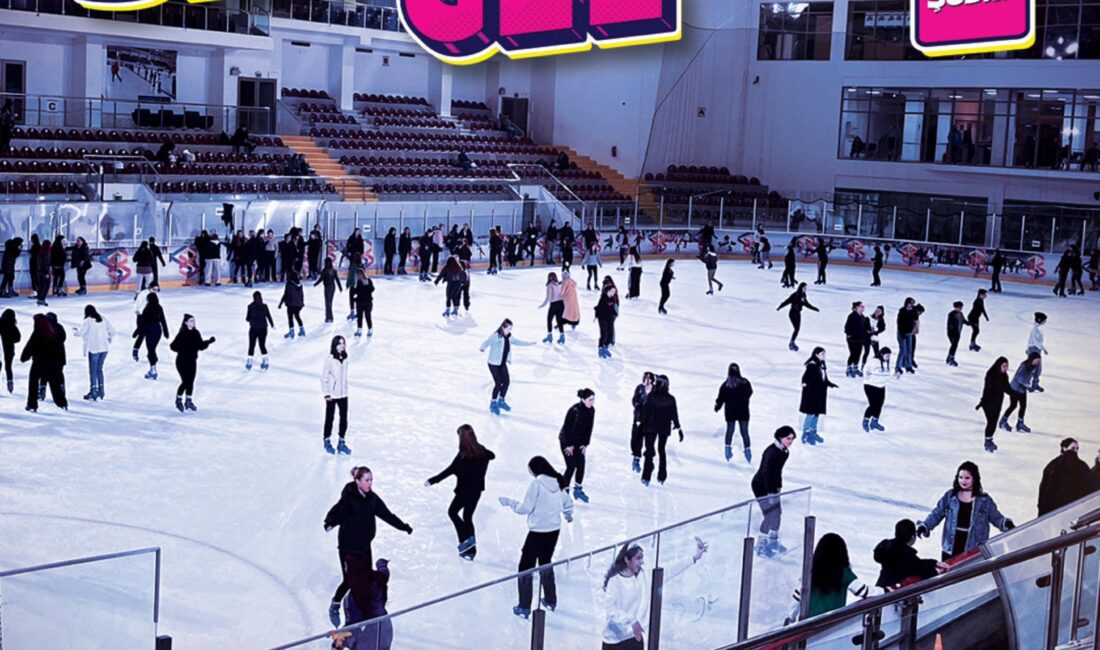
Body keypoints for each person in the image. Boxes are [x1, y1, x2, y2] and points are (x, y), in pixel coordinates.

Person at [324, 466, 413, 628]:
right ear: (357, 481)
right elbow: (337, 511)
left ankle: (365, 611)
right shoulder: (348, 498)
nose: (370, 483)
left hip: (365, 546)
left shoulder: (372, 499)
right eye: (367, 480)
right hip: (348, 547)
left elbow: (387, 515)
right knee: (349, 581)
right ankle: (335, 604)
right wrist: (330, 522)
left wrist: (404, 526)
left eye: (371, 480)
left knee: (366, 578)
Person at [499, 456, 574, 619]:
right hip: (554, 531)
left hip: (537, 532)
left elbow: (525, 508)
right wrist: (568, 516)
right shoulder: (558, 481)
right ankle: (550, 599)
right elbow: (568, 503)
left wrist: (510, 503)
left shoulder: (537, 484)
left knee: (525, 567)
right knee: (545, 562)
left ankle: (524, 606)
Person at [600, 537, 708, 649]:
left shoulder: (643, 576)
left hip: (634, 636)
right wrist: (631, 621)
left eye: (642, 558)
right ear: (627, 560)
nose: (642, 562)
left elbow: (669, 570)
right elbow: (610, 609)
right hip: (615, 640)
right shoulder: (615, 581)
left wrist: (694, 558)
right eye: (638, 558)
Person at [425, 424, 496, 560]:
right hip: (476, 492)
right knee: (468, 517)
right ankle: (471, 550)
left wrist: (432, 480)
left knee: (452, 512)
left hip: (464, 492)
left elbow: (450, 470)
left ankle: (465, 541)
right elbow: (492, 455)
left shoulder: (463, 457)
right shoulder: (482, 452)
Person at [918, 461, 1014, 560]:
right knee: (950, 575)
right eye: (960, 477)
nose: (963, 481)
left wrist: (1005, 523)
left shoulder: (984, 500)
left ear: (975, 479)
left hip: (974, 550)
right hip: (951, 548)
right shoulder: (950, 496)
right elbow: (936, 514)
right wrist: (926, 526)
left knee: (970, 574)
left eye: (967, 478)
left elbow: (996, 517)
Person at [787, 533, 869, 622]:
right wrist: (884, 590)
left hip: (809, 624)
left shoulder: (810, 572)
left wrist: (790, 618)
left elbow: (798, 597)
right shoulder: (843, 573)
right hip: (833, 624)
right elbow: (863, 591)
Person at [751, 426, 796, 557]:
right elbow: (766, 472)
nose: (790, 441)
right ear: (780, 438)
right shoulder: (771, 452)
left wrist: (778, 488)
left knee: (777, 513)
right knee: (769, 515)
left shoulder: (784, 451)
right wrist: (771, 492)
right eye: (788, 438)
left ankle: (773, 541)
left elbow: (777, 472)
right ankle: (761, 544)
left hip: (773, 486)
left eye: (792, 439)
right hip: (760, 486)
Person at [873, 520, 947, 592]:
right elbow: (921, 569)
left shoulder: (889, 549)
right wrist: (936, 569)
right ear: (912, 537)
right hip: (890, 595)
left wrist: (933, 562)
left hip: (880, 587)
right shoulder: (906, 555)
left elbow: (918, 563)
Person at [479, 318, 534, 414]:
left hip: (502, 363)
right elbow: (487, 342)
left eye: (511, 329)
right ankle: (493, 403)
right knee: (498, 383)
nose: (510, 331)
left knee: (506, 382)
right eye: (508, 328)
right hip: (493, 363)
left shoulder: (509, 336)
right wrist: (482, 348)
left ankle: (501, 400)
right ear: (503, 327)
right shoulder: (496, 336)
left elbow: (516, 342)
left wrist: (528, 344)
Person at [340, 555, 393, 650]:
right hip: (385, 629)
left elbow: (352, 628)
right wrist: (381, 563)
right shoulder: (378, 580)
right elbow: (384, 572)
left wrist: (340, 641)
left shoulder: (351, 599)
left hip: (368, 638)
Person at [639, 374, 683, 486]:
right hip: (664, 427)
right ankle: (662, 475)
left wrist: (641, 423)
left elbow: (645, 411)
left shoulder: (651, 397)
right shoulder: (671, 399)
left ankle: (646, 476)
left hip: (651, 426)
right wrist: (678, 427)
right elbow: (674, 414)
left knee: (649, 450)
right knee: (661, 450)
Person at [1037, 438, 1099, 516]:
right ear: (1064, 448)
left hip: (1072, 510)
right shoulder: (1055, 466)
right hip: (1062, 510)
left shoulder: (1080, 465)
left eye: (1077, 448)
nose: (1075, 451)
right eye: (1073, 448)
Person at [20, 313, 68, 412]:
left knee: (33, 384)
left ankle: (32, 405)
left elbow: (30, 345)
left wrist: (24, 357)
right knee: (55, 385)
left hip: (38, 363)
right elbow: (60, 345)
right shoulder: (56, 331)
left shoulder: (38, 332)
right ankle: (62, 403)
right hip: (52, 363)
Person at [169, 314, 215, 412]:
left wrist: (209, 342)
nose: (193, 323)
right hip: (181, 361)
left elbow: (200, 346)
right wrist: (183, 349)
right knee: (186, 382)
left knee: (191, 382)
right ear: (186, 323)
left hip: (192, 361)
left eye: (194, 321)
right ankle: (178, 400)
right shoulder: (182, 333)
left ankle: (188, 401)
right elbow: (173, 346)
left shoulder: (196, 333)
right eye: (191, 321)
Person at [559, 389, 596, 503]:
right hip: (566, 440)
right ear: (583, 399)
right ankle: (564, 492)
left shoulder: (592, 411)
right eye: (590, 400)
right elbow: (566, 428)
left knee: (581, 464)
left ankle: (578, 490)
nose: (592, 402)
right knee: (571, 466)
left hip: (579, 442)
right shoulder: (574, 410)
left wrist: (585, 444)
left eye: (593, 400)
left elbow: (589, 429)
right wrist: (569, 445)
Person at [72, 305, 114, 401]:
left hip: (94, 349)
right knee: (99, 370)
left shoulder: (88, 321)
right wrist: (109, 337)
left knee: (93, 371)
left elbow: (81, 333)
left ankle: (93, 391)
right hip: (104, 349)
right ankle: (101, 390)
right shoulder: (103, 318)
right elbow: (113, 331)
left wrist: (75, 331)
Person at [715, 362, 754, 463]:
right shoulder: (745, 383)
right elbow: (750, 392)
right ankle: (747, 451)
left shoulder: (726, 385)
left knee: (730, 430)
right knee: (744, 432)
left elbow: (721, 398)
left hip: (730, 412)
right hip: (743, 411)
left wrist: (717, 406)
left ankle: (727, 450)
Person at [800, 347, 837, 445]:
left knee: (816, 414)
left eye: (824, 354)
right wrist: (804, 383)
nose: (824, 356)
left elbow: (823, 377)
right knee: (811, 413)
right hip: (812, 393)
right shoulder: (812, 365)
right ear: (816, 354)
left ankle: (813, 432)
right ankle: (806, 433)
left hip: (820, 393)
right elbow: (806, 377)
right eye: (822, 354)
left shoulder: (821, 364)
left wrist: (829, 383)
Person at [321, 335, 352, 455]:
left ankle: (341, 442)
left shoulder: (345, 358)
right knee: (330, 418)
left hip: (343, 393)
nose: (342, 345)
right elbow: (324, 378)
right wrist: (327, 394)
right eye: (339, 343)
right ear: (335, 345)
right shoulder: (329, 359)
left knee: (344, 418)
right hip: (332, 395)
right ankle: (327, 440)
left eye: (343, 343)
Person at [976, 357, 1011, 453]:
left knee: (993, 423)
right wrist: (982, 403)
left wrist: (1015, 394)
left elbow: (1007, 388)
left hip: (997, 403)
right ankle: (987, 442)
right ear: (998, 365)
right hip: (988, 403)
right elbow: (988, 390)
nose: (1006, 368)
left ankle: (989, 439)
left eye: (1007, 366)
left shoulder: (1004, 376)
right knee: (991, 422)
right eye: (1004, 366)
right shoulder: (991, 375)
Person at [1001, 351, 1041, 434]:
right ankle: (1003, 422)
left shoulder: (1034, 366)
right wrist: (1027, 386)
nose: (1037, 362)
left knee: (1023, 406)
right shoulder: (1024, 365)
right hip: (1015, 388)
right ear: (1032, 359)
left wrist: (1034, 384)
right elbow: (1019, 377)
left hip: (1022, 389)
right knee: (1013, 405)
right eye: (1036, 360)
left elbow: (1035, 376)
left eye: (1038, 361)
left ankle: (1020, 423)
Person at [136, 292, 169, 381]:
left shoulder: (147, 309)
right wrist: (166, 332)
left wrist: (137, 332)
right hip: (158, 330)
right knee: (152, 349)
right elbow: (163, 320)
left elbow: (142, 323)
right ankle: (153, 364)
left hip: (149, 330)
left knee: (151, 350)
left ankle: (153, 370)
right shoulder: (159, 307)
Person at [777, 283, 819, 352]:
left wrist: (814, 308)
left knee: (797, 329)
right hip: (792, 313)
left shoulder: (804, 295)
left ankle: (792, 342)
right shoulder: (795, 295)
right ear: (801, 287)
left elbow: (806, 304)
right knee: (796, 329)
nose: (805, 289)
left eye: (806, 288)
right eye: (804, 288)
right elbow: (787, 301)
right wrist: (780, 307)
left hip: (798, 313)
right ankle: (792, 343)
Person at [629, 372, 655, 474]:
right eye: (645, 378)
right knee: (637, 438)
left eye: (649, 378)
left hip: (651, 419)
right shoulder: (639, 388)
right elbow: (634, 399)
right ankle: (636, 458)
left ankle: (649, 462)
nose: (647, 380)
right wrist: (637, 404)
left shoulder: (655, 389)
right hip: (639, 417)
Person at [863, 347, 893, 432]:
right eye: (887, 355)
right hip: (870, 386)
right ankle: (865, 421)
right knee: (873, 405)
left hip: (881, 386)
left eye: (889, 356)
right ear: (881, 354)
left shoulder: (886, 362)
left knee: (879, 405)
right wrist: (867, 376)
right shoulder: (874, 361)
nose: (888, 357)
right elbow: (865, 369)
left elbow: (888, 372)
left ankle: (874, 422)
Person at [245, 291, 274, 371]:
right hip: (263, 328)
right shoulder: (264, 306)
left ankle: (249, 362)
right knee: (262, 345)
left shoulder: (250, 306)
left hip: (254, 328)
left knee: (251, 345)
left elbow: (247, 318)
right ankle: (265, 360)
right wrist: (272, 324)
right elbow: (268, 315)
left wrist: (250, 319)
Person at [538, 272, 567, 344]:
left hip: (554, 305)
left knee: (549, 320)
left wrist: (542, 305)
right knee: (559, 321)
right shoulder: (559, 284)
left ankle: (550, 336)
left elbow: (548, 297)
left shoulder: (550, 285)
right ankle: (562, 337)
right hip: (561, 304)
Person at [844, 302, 871, 378]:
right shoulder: (851, 316)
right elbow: (847, 327)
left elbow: (865, 328)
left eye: (863, 306)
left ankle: (855, 368)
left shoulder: (863, 317)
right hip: (852, 339)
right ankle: (849, 369)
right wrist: (849, 334)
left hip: (860, 339)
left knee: (858, 354)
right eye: (861, 306)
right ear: (856, 307)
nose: (863, 308)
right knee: (853, 353)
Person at [313, 257, 343, 324]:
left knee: (328, 303)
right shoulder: (332, 270)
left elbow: (321, 279)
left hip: (328, 288)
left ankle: (329, 317)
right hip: (332, 287)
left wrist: (316, 284)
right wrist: (340, 287)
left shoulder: (326, 270)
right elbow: (322, 279)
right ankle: (329, 317)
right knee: (329, 303)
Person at [277, 270, 306, 339]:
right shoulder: (300, 284)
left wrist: (281, 303)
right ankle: (302, 330)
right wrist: (301, 303)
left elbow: (286, 294)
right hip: (299, 304)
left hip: (291, 304)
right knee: (297, 316)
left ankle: (291, 332)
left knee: (290, 317)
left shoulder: (289, 284)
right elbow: (302, 295)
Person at [595, 280, 619, 359]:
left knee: (610, 334)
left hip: (609, 318)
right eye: (611, 291)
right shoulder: (604, 297)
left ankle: (605, 347)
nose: (613, 293)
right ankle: (601, 348)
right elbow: (600, 307)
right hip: (602, 317)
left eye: (614, 292)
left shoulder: (613, 298)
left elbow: (612, 307)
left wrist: (614, 314)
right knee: (604, 334)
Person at [895, 297, 919, 376]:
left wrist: (914, 330)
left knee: (909, 350)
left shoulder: (914, 311)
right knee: (903, 350)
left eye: (912, 303)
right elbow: (899, 323)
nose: (911, 305)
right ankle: (898, 366)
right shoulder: (902, 311)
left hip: (910, 333)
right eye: (910, 303)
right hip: (902, 333)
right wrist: (903, 333)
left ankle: (908, 366)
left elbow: (916, 320)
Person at [1027, 312, 1048, 392]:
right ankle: (1028, 384)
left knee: (1038, 369)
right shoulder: (1035, 329)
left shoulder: (1037, 328)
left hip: (1036, 350)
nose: (1045, 322)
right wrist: (1043, 349)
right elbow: (1035, 342)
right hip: (1034, 350)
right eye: (1044, 320)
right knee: (1033, 368)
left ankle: (1035, 384)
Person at [0, 309, 20, 394]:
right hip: (9, 349)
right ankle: (10, 382)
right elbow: (18, 338)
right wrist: (10, 339)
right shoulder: (13, 326)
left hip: (0, 348)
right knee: (8, 367)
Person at [863, 305, 886, 372]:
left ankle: (878, 366)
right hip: (867, 337)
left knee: (877, 353)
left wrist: (877, 331)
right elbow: (865, 327)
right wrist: (869, 331)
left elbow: (883, 328)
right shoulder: (868, 317)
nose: (877, 312)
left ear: (881, 313)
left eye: (879, 311)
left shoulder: (881, 319)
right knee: (866, 352)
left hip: (874, 337)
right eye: (876, 310)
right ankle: (863, 366)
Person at [946, 301, 966, 367]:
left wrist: (971, 324)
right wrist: (952, 331)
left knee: (954, 345)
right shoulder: (951, 314)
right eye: (960, 307)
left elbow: (964, 321)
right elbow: (950, 324)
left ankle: (949, 358)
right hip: (952, 333)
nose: (961, 308)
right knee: (954, 345)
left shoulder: (960, 314)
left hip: (958, 332)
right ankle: (951, 358)